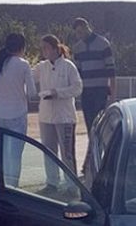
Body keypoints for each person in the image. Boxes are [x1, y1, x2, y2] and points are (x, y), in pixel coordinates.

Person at [33, 34, 83, 192]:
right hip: (46, 116)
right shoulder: (41, 67)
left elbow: (77, 88)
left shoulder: (68, 66)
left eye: (46, 48)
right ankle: (52, 182)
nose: (44, 51)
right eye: (42, 48)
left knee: (67, 152)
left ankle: (71, 184)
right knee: (49, 151)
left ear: (55, 48)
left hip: (65, 117)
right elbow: (28, 77)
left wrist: (58, 92)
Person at [0, 33, 37, 187]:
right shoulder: (23, 64)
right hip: (17, 113)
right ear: (22, 47)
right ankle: (13, 186)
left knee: (2, 154)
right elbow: (32, 93)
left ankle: (1, 185)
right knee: (15, 155)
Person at [71, 17, 116, 175]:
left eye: (81, 30)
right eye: (76, 32)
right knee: (91, 128)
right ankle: (93, 162)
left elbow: (111, 70)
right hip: (86, 92)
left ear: (87, 27)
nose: (79, 34)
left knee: (97, 128)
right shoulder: (77, 48)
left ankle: (93, 163)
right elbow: (77, 73)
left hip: (100, 90)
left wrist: (112, 94)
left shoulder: (103, 44)